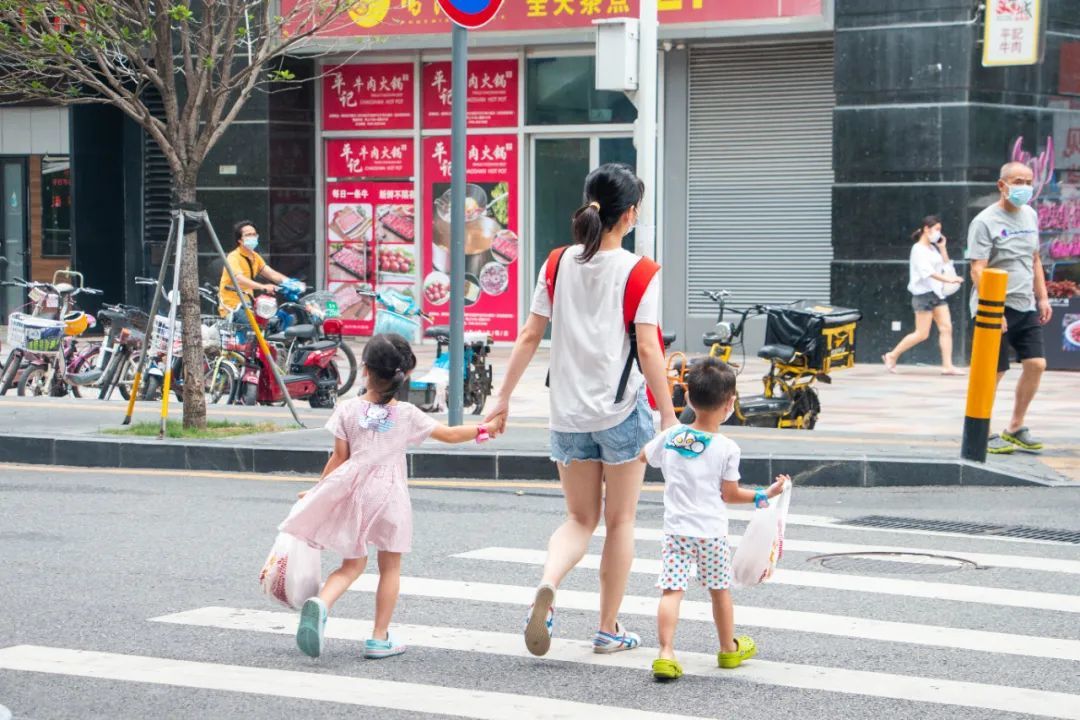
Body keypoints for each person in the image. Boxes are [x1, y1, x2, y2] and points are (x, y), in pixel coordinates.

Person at [483, 163, 678, 657]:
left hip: (566, 412)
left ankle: (548, 585)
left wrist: (501, 398)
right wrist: (671, 418)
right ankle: (608, 627)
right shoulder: (641, 270)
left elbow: (530, 335)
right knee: (622, 521)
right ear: (629, 214)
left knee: (578, 517)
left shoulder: (556, 262)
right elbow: (650, 350)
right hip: (621, 413)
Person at [279, 333, 504, 660]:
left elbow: (338, 458)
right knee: (390, 568)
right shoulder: (408, 414)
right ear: (404, 374)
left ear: (365, 369)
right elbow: (452, 435)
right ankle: (379, 637)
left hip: (355, 493)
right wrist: (486, 428)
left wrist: (317, 491)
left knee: (351, 564)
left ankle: (321, 603)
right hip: (390, 496)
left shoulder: (347, 409)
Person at [640, 358, 791, 680]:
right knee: (719, 591)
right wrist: (765, 494)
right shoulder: (726, 447)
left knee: (671, 590)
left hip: (677, 531)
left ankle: (666, 653)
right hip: (710, 533)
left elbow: (644, 456)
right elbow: (730, 495)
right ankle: (728, 650)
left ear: (690, 399)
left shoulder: (671, 435)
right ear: (730, 404)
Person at [967, 162, 1052, 454]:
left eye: (1029, 181)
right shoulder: (984, 221)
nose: (1025, 187)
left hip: (1025, 304)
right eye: (1018, 181)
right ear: (1002, 185)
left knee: (1036, 364)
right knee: (994, 371)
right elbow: (977, 268)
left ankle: (1016, 426)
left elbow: (1035, 258)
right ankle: (982, 429)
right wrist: (993, 308)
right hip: (993, 308)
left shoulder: (1030, 214)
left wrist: (1042, 297)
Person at [882, 215, 964, 375]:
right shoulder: (917, 249)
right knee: (921, 333)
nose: (939, 233)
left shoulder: (933, 249)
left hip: (937, 294)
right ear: (926, 229)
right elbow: (928, 272)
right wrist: (950, 279)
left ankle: (948, 365)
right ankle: (892, 355)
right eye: (937, 229)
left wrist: (942, 248)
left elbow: (945, 264)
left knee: (946, 328)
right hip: (923, 296)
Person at [217, 220, 289, 318]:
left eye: (254, 234)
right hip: (233, 307)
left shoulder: (255, 257)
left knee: (279, 319)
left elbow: (271, 273)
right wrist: (263, 287)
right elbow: (239, 279)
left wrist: (290, 282)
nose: (252, 237)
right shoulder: (233, 257)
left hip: (248, 304)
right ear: (240, 240)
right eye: (248, 235)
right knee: (257, 327)